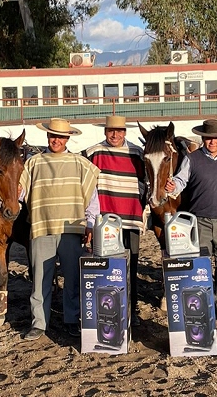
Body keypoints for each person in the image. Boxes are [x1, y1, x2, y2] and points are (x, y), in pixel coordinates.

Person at [20, 118, 100, 341]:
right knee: (40, 278)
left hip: (71, 228)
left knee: (72, 278)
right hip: (42, 225)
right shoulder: (33, 163)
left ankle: (72, 319)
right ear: (47, 136)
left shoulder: (80, 163)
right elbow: (20, 192)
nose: (56, 140)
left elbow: (92, 197)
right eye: (53, 136)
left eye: (61, 136)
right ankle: (39, 323)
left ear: (68, 138)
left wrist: (91, 223)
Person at [164, 118, 217, 323]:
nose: (212, 142)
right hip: (200, 219)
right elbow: (181, 179)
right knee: (200, 264)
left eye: (215, 138)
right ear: (203, 138)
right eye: (208, 138)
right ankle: (203, 301)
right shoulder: (192, 158)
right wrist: (173, 187)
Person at [83, 115, 146, 326]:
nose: (115, 135)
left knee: (132, 266)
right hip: (105, 223)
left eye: (119, 131)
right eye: (111, 131)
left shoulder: (137, 153)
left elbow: (149, 181)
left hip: (131, 219)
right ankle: (109, 308)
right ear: (105, 132)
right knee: (108, 266)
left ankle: (132, 307)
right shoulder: (93, 153)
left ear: (125, 132)